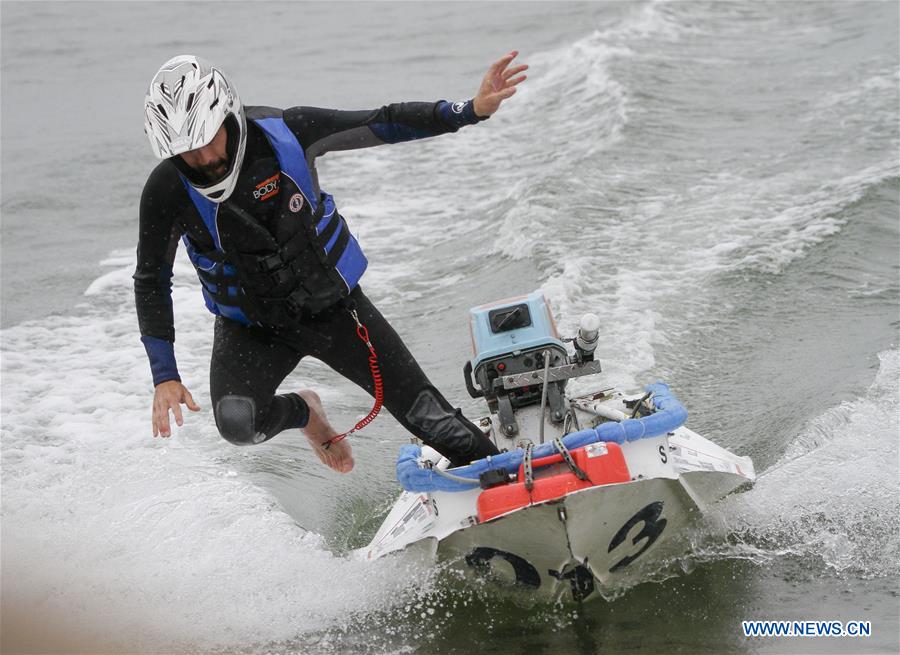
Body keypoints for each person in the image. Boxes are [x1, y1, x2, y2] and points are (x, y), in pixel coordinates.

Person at [136, 53, 528, 473]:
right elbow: (151, 281)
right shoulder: (167, 191)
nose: (204, 157)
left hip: (336, 313)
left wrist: (470, 110)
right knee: (239, 425)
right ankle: (306, 413)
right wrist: (165, 376)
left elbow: (383, 121)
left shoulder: (288, 132)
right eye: (187, 151)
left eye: (209, 139)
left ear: (228, 115)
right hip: (252, 330)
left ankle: (514, 483)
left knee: (431, 420)